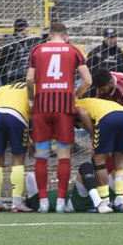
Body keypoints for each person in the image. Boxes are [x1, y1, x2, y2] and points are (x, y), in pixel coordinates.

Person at [26, 22, 92, 213]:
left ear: (49, 35)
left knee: (41, 155)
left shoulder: (37, 50)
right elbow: (88, 80)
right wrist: (74, 95)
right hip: (64, 107)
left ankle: (44, 202)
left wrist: (31, 100)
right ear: (65, 36)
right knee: (64, 156)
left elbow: (29, 79)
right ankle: (62, 201)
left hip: (42, 106)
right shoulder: (73, 50)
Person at [75, 97, 123, 213]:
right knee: (120, 161)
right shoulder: (91, 102)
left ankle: (105, 202)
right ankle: (119, 201)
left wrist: (93, 137)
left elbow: (82, 113)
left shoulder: (73, 104)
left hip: (106, 118)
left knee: (98, 160)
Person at [0, 82, 34, 212]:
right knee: (18, 160)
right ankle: (16, 203)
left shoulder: (11, 86)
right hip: (17, 117)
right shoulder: (35, 87)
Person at [0, 18, 43, 86]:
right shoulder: (10, 43)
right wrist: (4, 80)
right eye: (27, 27)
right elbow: (1, 62)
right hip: (13, 79)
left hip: (25, 77)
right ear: (22, 27)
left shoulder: (28, 41)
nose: (28, 29)